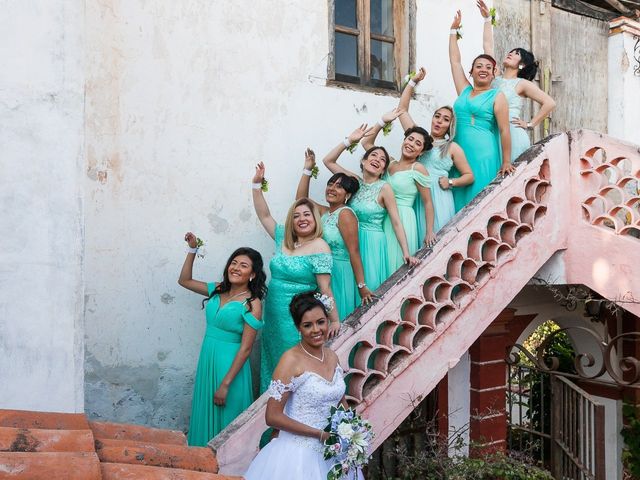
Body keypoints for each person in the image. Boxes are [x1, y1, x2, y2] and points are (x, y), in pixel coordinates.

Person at [244, 291, 364, 480]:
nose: (316, 330)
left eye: (321, 322)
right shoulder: (290, 361)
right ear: (298, 328)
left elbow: (340, 400)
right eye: (307, 325)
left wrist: (352, 431)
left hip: (334, 451)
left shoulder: (332, 356)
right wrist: (319, 434)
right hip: (297, 454)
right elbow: (272, 416)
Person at [252, 163, 339, 392]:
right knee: (272, 361)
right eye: (297, 215)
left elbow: (324, 288)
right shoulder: (282, 238)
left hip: (298, 316)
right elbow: (264, 215)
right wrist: (256, 186)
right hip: (272, 314)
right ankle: (268, 415)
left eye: (307, 215)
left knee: (293, 365)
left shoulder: (320, 246)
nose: (302, 219)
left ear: (314, 219)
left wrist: (335, 319)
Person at [178, 236, 266, 446]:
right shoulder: (217, 289)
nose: (235, 268)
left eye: (243, 265)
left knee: (227, 418)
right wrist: (192, 250)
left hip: (230, 367)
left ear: (252, 275)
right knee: (205, 411)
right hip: (208, 359)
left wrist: (225, 384)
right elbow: (184, 280)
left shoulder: (252, 303)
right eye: (233, 263)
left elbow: (246, 349)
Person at [323, 125, 420, 291]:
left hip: (373, 243)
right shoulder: (354, 183)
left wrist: (406, 252)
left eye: (383, 160)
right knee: (350, 287)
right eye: (373, 155)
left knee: (370, 287)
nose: (377, 159)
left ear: (383, 170)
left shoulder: (384, 188)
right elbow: (328, 161)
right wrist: (349, 141)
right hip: (350, 241)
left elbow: (396, 221)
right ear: (363, 161)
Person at [296, 148, 373, 320]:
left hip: (340, 273)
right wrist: (307, 169)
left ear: (348, 194)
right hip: (322, 273)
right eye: (330, 184)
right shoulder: (325, 212)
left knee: (338, 319)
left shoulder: (345, 214)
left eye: (339, 186)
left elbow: (354, 251)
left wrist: (361, 286)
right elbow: (300, 201)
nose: (332, 188)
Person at [449, 10, 514, 212]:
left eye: (488, 67)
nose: (483, 69)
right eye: (478, 66)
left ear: (494, 73)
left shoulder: (497, 96)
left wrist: (506, 161)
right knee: (457, 200)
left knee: (478, 201)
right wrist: (453, 31)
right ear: (472, 71)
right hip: (459, 150)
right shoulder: (464, 89)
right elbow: (455, 62)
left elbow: (504, 130)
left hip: (484, 153)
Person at [397, 68, 475, 234]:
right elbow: (402, 110)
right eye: (437, 116)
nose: (439, 121)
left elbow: (469, 176)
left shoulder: (452, 147)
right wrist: (413, 82)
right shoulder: (419, 139)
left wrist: (452, 182)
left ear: (450, 126)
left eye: (445, 119)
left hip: (439, 198)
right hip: (416, 196)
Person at [476, 0, 556, 161]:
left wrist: (530, 124)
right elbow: (488, 47)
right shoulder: (495, 77)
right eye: (511, 52)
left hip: (512, 134)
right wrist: (486, 20)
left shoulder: (522, 84)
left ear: (522, 64)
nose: (510, 54)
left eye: (516, 53)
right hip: (492, 132)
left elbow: (550, 103)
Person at [362, 114, 436, 270]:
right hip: (382, 217)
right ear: (404, 140)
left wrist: (429, 231)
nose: (411, 144)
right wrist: (382, 121)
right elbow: (366, 142)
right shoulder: (389, 163)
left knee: (395, 263)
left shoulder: (417, 169)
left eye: (418, 144)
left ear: (421, 152)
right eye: (410, 139)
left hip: (402, 219)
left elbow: (428, 202)